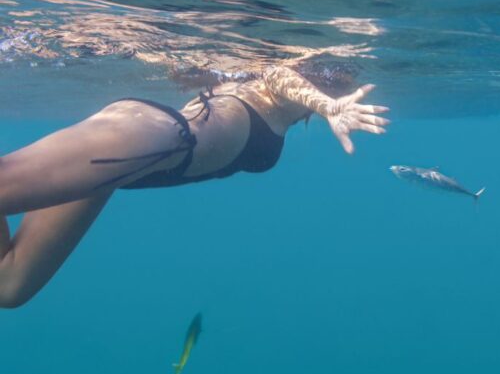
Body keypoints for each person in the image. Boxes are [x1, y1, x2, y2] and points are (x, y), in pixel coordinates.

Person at [0, 66, 388, 308]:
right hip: (155, 140)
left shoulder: (274, 105)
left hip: (125, 165)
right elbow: (277, 74)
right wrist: (327, 105)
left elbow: (199, 75)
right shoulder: (283, 83)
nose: (346, 83)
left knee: (11, 285)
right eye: (343, 80)